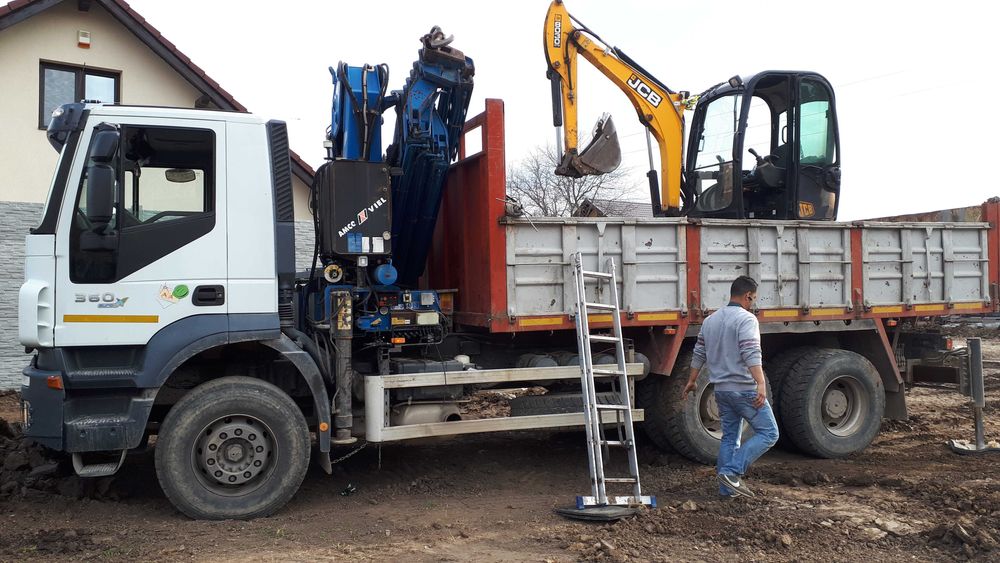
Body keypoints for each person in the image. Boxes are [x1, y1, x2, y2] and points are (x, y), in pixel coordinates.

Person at [681, 275, 778, 498]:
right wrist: (760, 382)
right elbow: (750, 351)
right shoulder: (747, 320)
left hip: (721, 390)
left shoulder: (710, 321)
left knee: (730, 438)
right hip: (744, 389)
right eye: (754, 298)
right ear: (748, 295)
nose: (753, 303)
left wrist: (692, 380)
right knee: (769, 433)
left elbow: (699, 352)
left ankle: (727, 491)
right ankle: (732, 473)